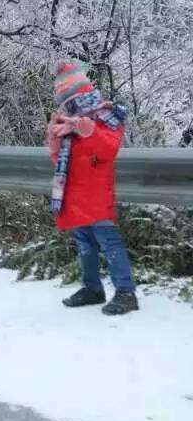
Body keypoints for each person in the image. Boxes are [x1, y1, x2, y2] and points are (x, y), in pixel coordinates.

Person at [47, 61, 138, 315]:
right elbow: (60, 163)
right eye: (67, 103)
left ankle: (126, 292)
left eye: (73, 100)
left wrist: (87, 131)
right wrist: (54, 139)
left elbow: (109, 150)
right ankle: (92, 288)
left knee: (109, 241)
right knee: (84, 243)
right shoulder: (70, 124)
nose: (72, 108)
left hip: (97, 195)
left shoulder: (108, 117)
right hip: (75, 196)